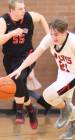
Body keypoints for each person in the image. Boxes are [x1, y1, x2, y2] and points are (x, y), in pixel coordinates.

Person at [9, 19, 75, 139]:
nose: (53, 37)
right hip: (63, 72)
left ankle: (66, 110)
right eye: (52, 34)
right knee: (65, 101)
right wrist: (20, 68)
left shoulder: (74, 42)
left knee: (48, 95)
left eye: (56, 35)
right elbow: (35, 54)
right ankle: (74, 126)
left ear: (65, 32)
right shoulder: (50, 38)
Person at [0, 0, 50, 129]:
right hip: (10, 59)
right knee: (19, 83)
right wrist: (11, 33)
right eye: (20, 9)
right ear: (12, 10)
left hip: (27, 55)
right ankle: (31, 109)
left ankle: (19, 112)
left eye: (24, 8)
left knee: (18, 77)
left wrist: (49, 35)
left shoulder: (29, 16)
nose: (24, 11)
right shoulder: (3, 21)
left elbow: (41, 17)